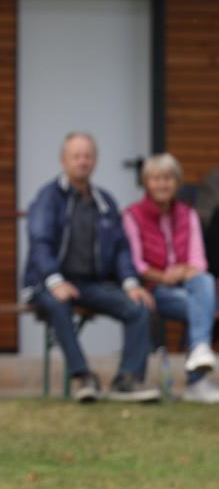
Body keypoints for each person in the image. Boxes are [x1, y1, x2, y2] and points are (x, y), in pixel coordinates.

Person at [23, 132, 159, 403]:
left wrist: (131, 283)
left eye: (87, 156)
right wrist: (54, 280)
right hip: (47, 282)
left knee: (139, 307)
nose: (82, 161)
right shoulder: (48, 198)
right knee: (58, 303)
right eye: (76, 156)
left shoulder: (104, 201)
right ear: (64, 160)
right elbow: (39, 243)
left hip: (90, 284)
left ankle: (128, 380)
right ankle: (82, 377)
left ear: (95, 160)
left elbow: (121, 248)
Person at [123, 153, 219, 403]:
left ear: (177, 182)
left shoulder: (188, 215)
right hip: (152, 289)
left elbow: (199, 262)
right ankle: (197, 381)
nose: (162, 184)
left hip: (188, 284)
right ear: (146, 182)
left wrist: (182, 271)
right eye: (156, 179)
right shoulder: (132, 216)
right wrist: (163, 276)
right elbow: (136, 264)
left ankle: (199, 351)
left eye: (168, 178)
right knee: (202, 306)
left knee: (205, 282)